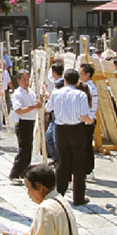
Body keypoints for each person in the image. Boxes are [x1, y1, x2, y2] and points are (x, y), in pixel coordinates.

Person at [45, 69, 93, 205]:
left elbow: (48, 108)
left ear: (65, 80)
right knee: (78, 164)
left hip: (60, 129)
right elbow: (84, 116)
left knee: (62, 162)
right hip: (76, 129)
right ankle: (78, 197)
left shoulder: (56, 93)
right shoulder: (81, 95)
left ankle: (59, 193)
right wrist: (91, 121)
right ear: (77, 81)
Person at [7, 164, 80, 235]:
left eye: (28, 188)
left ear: (39, 186)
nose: (28, 193)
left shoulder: (45, 209)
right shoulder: (61, 200)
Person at [9, 69, 42, 183]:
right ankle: (15, 173)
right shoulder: (17, 94)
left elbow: (37, 102)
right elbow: (18, 110)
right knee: (23, 149)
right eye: (23, 80)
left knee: (29, 148)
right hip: (22, 122)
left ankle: (24, 171)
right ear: (18, 81)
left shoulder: (31, 92)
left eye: (27, 79)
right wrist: (33, 107)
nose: (26, 82)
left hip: (30, 121)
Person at [79, 63, 98, 181]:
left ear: (88, 74)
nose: (80, 76)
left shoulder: (89, 88)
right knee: (86, 146)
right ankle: (87, 169)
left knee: (86, 147)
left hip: (87, 120)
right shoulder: (88, 86)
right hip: (88, 119)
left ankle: (88, 170)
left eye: (81, 74)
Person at [45, 62, 64, 165]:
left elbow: (52, 97)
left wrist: (44, 90)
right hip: (55, 114)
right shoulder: (59, 82)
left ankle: (58, 159)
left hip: (58, 115)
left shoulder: (59, 84)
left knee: (55, 139)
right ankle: (55, 157)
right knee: (49, 136)